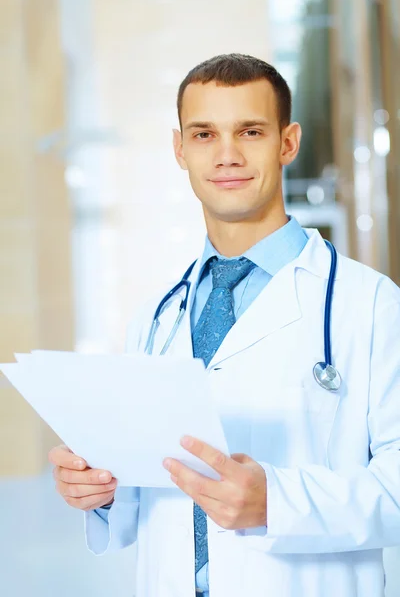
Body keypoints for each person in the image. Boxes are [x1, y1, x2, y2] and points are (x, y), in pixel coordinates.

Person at [48, 53, 400, 597]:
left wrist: (277, 503)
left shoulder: (372, 306)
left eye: (250, 131)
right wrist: (102, 488)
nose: (227, 154)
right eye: (205, 133)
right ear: (179, 149)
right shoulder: (156, 319)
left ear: (288, 142)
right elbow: (143, 489)